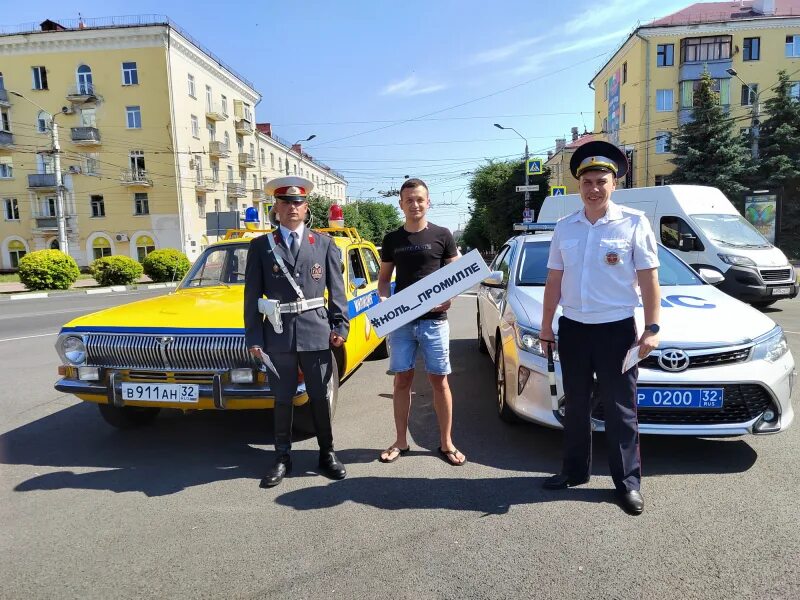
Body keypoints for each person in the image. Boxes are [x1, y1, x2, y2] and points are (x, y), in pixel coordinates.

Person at [539, 141, 661, 515]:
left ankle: (627, 484)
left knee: (621, 409)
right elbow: (554, 282)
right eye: (587, 181)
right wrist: (546, 328)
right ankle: (574, 471)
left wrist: (652, 327)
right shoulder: (565, 227)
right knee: (575, 405)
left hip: (617, 331)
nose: (594, 188)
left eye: (601, 181)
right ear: (579, 185)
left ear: (614, 183)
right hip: (574, 329)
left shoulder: (634, 223)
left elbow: (649, 279)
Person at [244, 176, 349, 488]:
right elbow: (251, 297)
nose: (292, 207)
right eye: (285, 202)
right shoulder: (262, 246)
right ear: (275, 208)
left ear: (306, 208)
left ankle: (327, 453)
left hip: (317, 332)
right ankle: (281, 457)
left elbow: (337, 291)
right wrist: (254, 338)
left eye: (298, 202)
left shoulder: (324, 244)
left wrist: (340, 325)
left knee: (319, 396)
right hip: (278, 334)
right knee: (282, 398)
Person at [377, 178, 465, 466]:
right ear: (400, 204)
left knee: (440, 381)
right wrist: (383, 302)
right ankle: (401, 442)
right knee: (402, 381)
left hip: (435, 322)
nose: (414, 204)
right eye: (408, 200)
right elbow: (383, 282)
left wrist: (449, 297)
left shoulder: (443, 234)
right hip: (403, 323)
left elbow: (457, 275)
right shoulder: (392, 240)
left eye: (419, 199)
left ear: (428, 202)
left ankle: (447, 442)